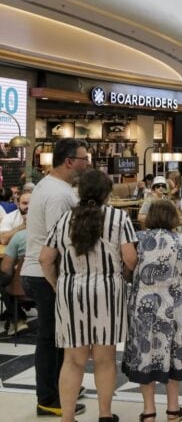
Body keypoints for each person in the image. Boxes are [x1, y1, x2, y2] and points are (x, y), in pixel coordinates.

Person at [39, 169, 138, 422]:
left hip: (71, 291)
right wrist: (125, 273)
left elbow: (45, 259)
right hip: (108, 291)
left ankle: (67, 418)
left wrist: (56, 283)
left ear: (80, 192)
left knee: (73, 360)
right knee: (105, 359)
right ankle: (105, 414)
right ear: (107, 194)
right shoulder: (118, 217)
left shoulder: (64, 219)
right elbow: (130, 257)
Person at [21, 138, 90, 417]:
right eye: (84, 159)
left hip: (43, 272)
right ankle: (49, 398)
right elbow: (60, 241)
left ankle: (64, 388)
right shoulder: (58, 195)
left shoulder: (52, 186)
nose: (88, 164)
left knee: (60, 337)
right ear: (69, 161)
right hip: (45, 274)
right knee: (51, 339)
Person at [122, 200, 182, 422]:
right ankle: (173, 410)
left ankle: (148, 412)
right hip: (174, 306)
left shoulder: (137, 239)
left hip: (143, 305)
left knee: (145, 354)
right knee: (174, 353)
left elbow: (128, 271)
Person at [0, 229, 28, 335]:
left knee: (3, 280)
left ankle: (18, 319)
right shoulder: (54, 234)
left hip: (22, 288)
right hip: (50, 287)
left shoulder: (20, 237)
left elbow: (5, 269)